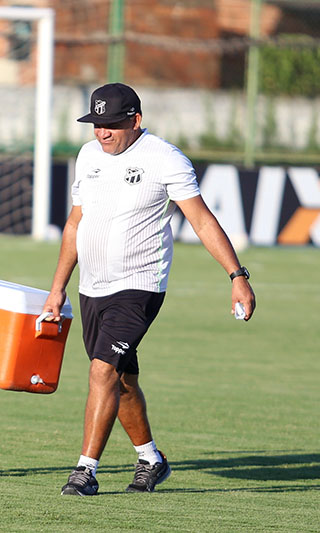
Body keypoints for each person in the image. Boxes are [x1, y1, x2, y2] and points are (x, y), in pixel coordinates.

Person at [41, 83, 256, 496]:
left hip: (139, 286)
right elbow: (74, 225)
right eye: (96, 124)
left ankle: (85, 471)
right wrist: (57, 288)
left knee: (102, 370)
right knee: (120, 381)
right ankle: (151, 459)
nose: (102, 132)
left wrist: (237, 275)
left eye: (111, 124)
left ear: (136, 121)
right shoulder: (88, 157)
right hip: (92, 287)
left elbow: (202, 220)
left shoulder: (165, 159)